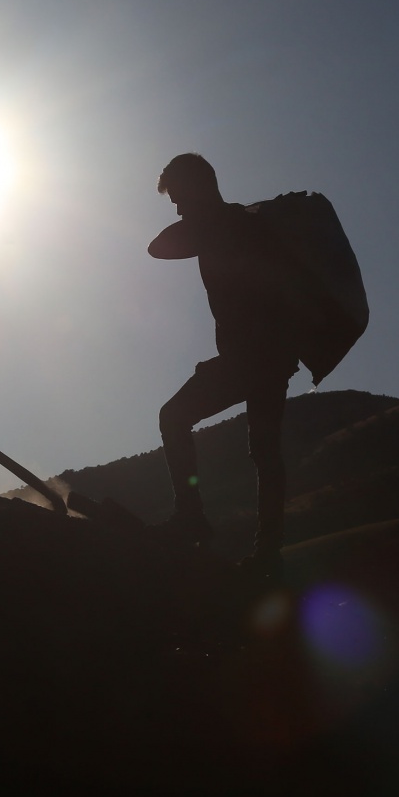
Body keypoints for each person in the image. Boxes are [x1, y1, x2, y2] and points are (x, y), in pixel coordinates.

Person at [149, 152, 299, 572]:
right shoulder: (238, 224)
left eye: (179, 196)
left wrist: (200, 221)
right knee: (265, 452)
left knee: (174, 417)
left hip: (253, 358)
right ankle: (268, 552)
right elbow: (158, 248)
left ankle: (192, 518)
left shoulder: (229, 226)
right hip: (270, 358)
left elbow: (158, 247)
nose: (177, 206)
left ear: (199, 187)